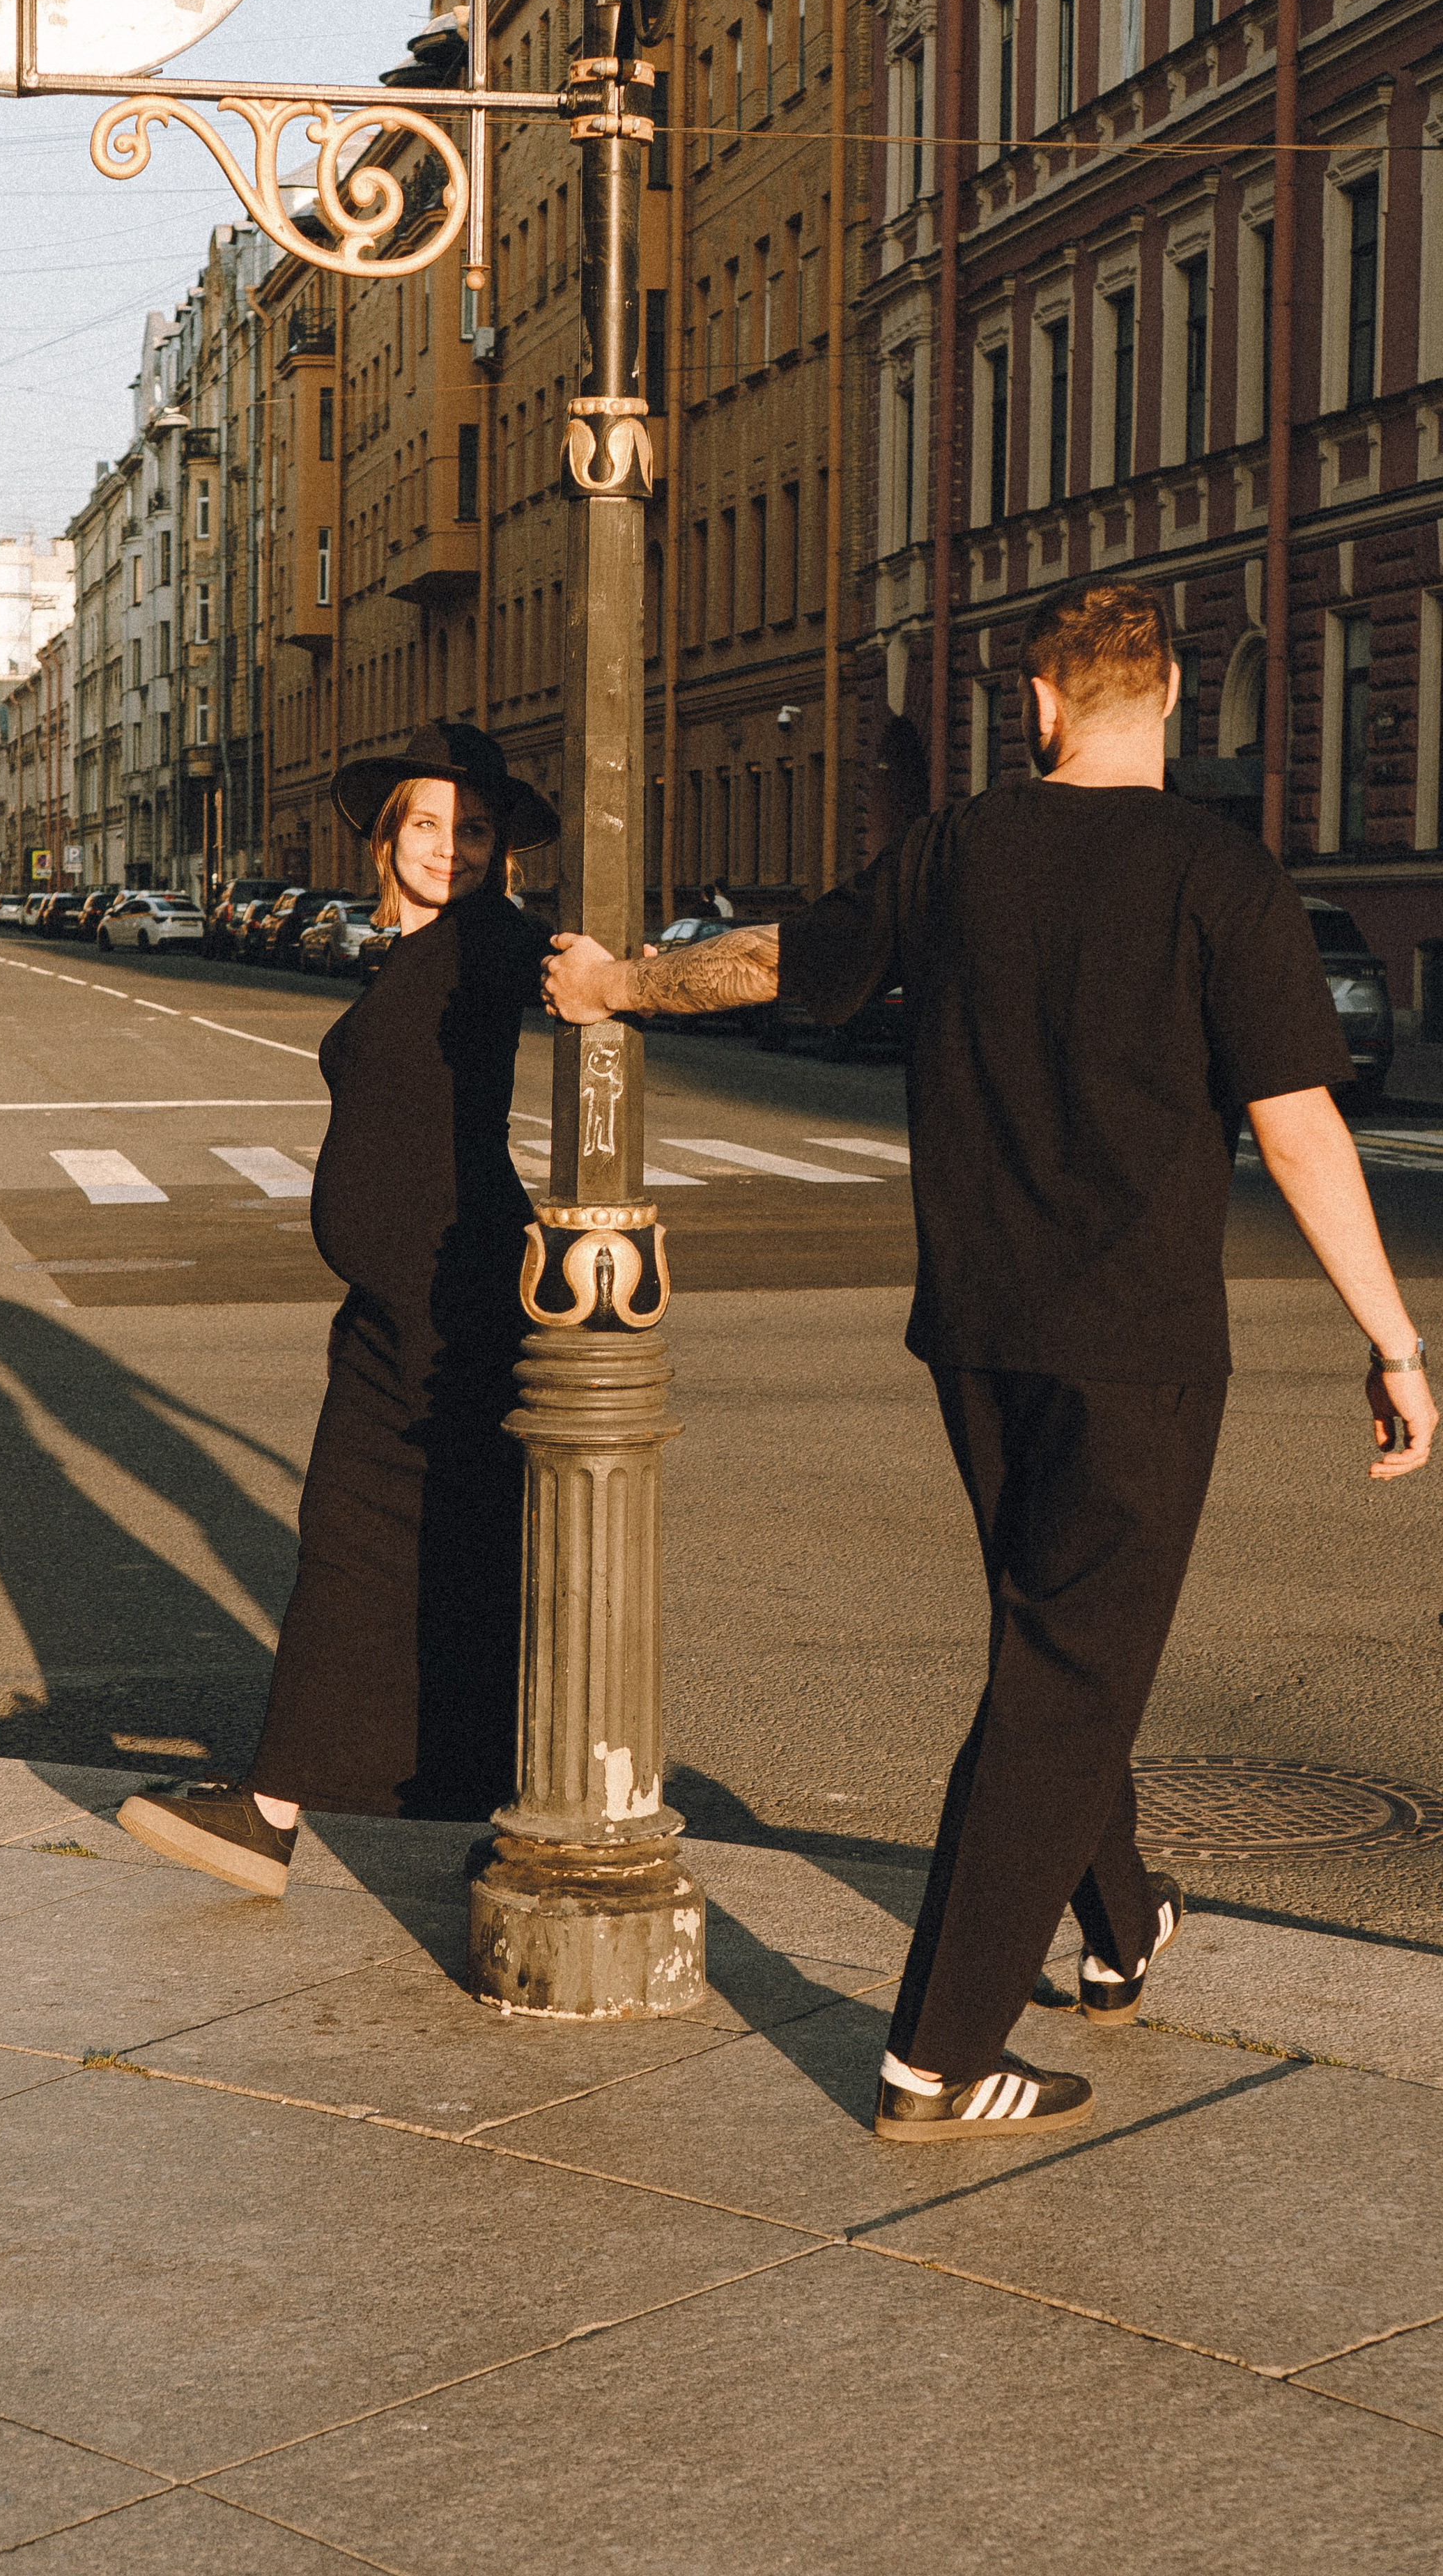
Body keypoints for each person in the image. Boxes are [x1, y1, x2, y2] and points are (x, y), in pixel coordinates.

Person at [542, 581, 1435, 2144]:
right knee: (1066, 1672)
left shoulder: (955, 849)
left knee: (1046, 1637)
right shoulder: (1218, 875)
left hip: (976, 1331)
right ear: (1160, 700)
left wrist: (616, 985)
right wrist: (1392, 1338)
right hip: (1135, 1344)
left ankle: (1120, 1918)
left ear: (1033, 709)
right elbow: (1297, 1131)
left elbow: (777, 961)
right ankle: (938, 2056)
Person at [119, 722, 558, 1895]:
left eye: (474, 829)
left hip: (449, 1304)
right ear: (385, 837)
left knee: (374, 1553)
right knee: (425, 1557)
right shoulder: (416, 947)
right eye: (428, 824)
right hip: (406, 1303)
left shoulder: (489, 941)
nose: (449, 848)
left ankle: (275, 1810)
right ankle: (461, 1800)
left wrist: (612, 971)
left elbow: (567, 972)